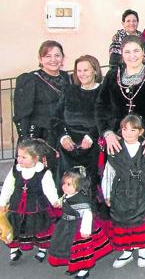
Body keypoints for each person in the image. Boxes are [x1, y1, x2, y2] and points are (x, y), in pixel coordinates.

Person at [101, 115, 145, 268]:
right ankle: (126, 252)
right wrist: (107, 194)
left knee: (141, 220)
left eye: (133, 130)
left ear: (141, 131)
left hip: (142, 190)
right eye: (124, 129)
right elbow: (108, 173)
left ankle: (142, 250)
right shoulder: (115, 148)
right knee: (122, 220)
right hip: (121, 191)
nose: (128, 133)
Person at [96, 35, 145, 160]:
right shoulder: (112, 75)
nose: (132, 56)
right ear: (122, 54)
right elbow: (101, 107)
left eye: (136, 51)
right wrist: (107, 133)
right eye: (127, 52)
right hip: (116, 141)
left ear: (143, 52)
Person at [14, 40, 71, 184]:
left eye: (57, 55)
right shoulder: (31, 79)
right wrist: (27, 142)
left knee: (64, 179)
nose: (53, 60)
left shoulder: (68, 78)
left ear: (63, 58)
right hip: (39, 137)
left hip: (63, 135)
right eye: (48, 56)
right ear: (40, 59)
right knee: (40, 181)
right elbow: (22, 114)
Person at [0, 139, 59, 263]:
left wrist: (54, 200)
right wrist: (2, 202)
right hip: (17, 206)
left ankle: (41, 249)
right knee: (15, 228)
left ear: (35, 158)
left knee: (40, 229)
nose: (19, 159)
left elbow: (49, 188)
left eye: (23, 157)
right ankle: (14, 249)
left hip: (36, 207)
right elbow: (8, 186)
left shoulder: (43, 172)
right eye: (18, 156)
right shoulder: (16, 170)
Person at [52, 55, 103, 199]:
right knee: (66, 186)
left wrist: (91, 136)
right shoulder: (70, 91)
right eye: (79, 70)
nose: (82, 74)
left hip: (93, 147)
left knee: (90, 187)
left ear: (95, 71)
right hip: (68, 147)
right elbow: (56, 118)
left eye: (86, 70)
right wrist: (63, 136)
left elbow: (107, 118)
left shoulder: (103, 92)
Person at [48, 167, 112, 279]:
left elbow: (87, 215)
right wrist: (58, 202)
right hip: (66, 225)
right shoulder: (67, 195)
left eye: (69, 184)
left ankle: (84, 269)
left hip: (78, 227)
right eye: (64, 183)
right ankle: (74, 266)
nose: (64, 186)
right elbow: (64, 201)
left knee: (81, 250)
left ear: (79, 185)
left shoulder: (82, 201)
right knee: (69, 247)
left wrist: (85, 230)